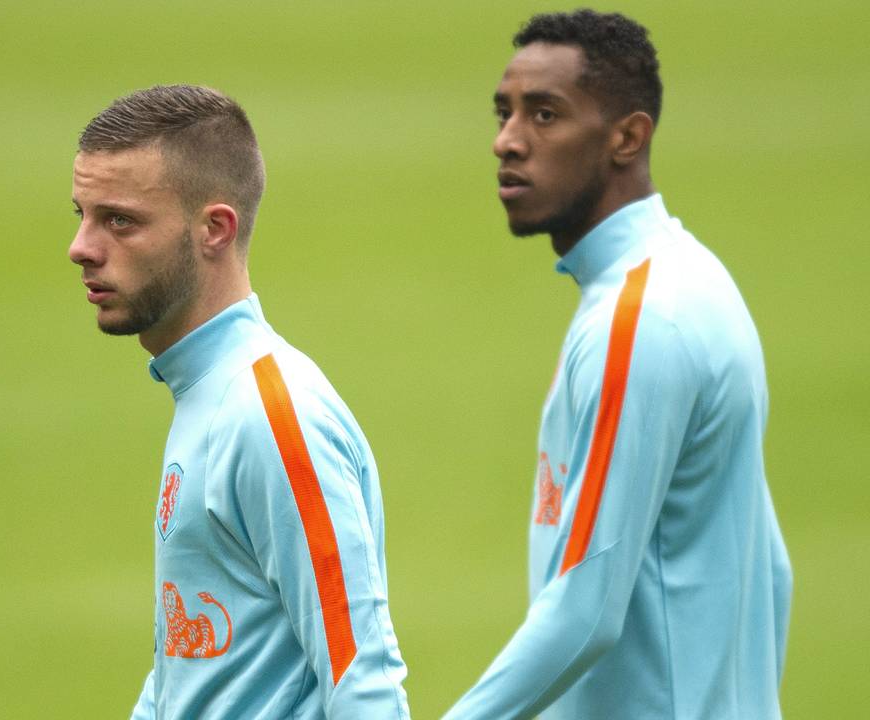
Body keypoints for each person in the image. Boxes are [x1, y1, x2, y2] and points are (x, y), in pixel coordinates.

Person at [443, 10, 792, 719]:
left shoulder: (638, 322)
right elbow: (772, 568)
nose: (506, 142)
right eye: (504, 113)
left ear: (627, 136)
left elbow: (586, 607)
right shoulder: (690, 275)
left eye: (545, 115)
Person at [69, 84, 410, 719]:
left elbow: (364, 678)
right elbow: (188, 669)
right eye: (81, 215)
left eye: (120, 220)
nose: (82, 247)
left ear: (215, 230)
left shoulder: (271, 415)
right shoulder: (207, 394)